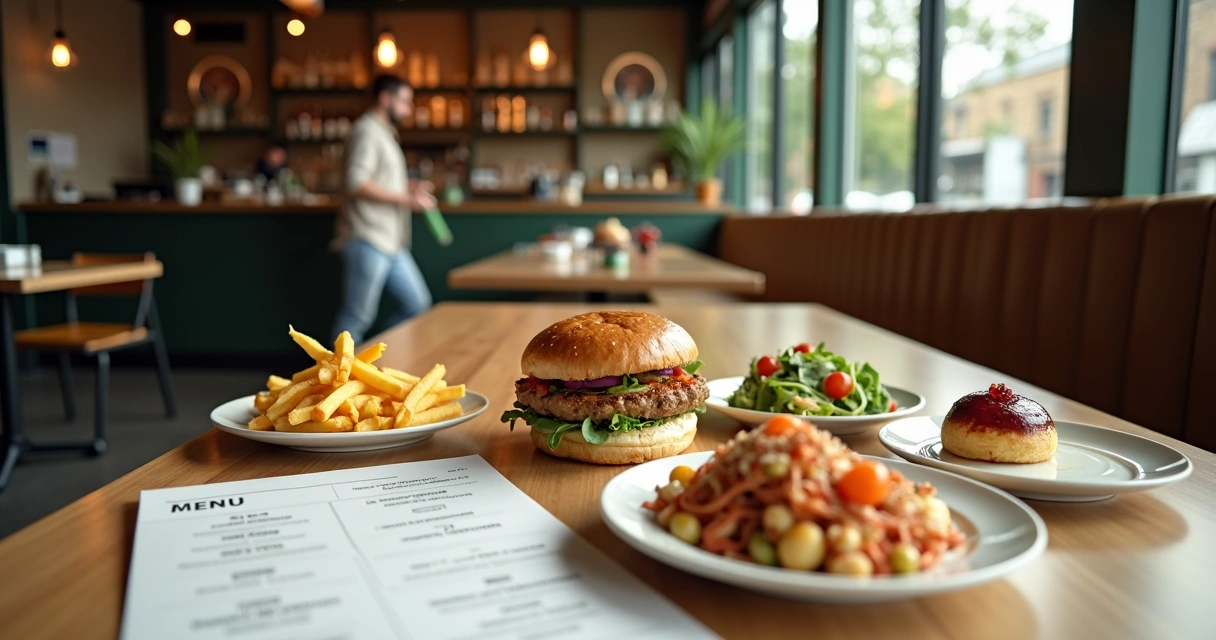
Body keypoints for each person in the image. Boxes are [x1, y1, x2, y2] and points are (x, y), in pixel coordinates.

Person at [331, 74, 436, 343]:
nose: (408, 110)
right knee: (356, 318)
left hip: (391, 241)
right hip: (367, 236)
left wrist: (410, 187)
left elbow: (379, 180)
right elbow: (356, 182)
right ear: (385, 98)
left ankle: (373, 360)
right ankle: (335, 370)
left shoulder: (383, 132)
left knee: (417, 305)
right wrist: (406, 199)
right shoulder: (366, 131)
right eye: (405, 102)